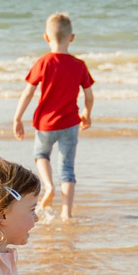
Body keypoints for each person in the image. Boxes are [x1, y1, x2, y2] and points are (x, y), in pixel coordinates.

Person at [11, 12, 95, 219]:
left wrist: (17, 117)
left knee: (41, 155)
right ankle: (67, 213)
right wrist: (87, 113)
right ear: (71, 38)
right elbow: (89, 94)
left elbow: (28, 92)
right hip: (70, 124)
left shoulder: (43, 62)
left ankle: (48, 186)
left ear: (46, 37)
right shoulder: (79, 65)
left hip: (45, 124)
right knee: (67, 168)